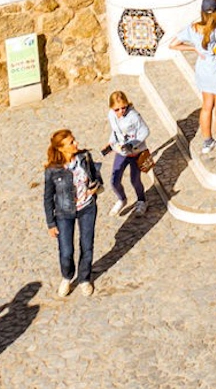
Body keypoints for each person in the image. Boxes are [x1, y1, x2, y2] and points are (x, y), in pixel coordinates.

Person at [170, 0, 216, 163]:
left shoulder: (193, 28)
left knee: (206, 107)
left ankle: (207, 142)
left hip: (203, 72)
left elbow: (173, 44)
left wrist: (194, 49)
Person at [42, 127, 100, 300]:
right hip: (64, 213)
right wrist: (51, 223)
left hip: (87, 208)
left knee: (87, 245)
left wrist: (95, 188)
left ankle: (84, 278)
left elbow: (95, 174)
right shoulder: (53, 170)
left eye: (75, 140)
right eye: (71, 142)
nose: (77, 143)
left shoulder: (84, 157)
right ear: (61, 148)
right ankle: (67, 277)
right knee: (66, 250)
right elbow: (47, 198)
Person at [105, 90, 151, 217]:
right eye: (117, 109)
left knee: (135, 180)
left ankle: (142, 200)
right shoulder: (111, 115)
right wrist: (111, 143)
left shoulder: (134, 116)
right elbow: (115, 131)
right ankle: (122, 199)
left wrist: (132, 144)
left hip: (136, 153)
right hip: (121, 152)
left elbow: (145, 131)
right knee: (114, 180)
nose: (121, 112)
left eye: (123, 108)